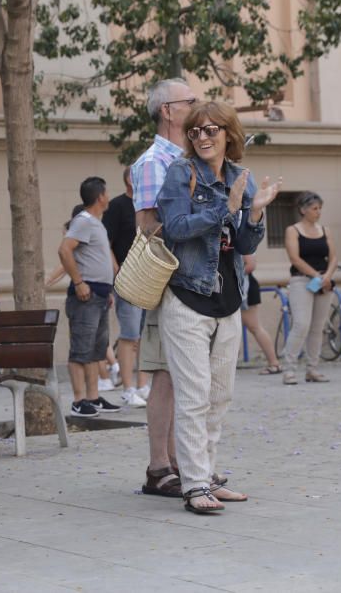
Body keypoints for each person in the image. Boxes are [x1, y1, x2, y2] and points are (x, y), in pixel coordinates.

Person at [156, 100, 280, 513]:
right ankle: (194, 486)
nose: (203, 137)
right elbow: (174, 227)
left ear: (229, 133)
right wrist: (221, 209)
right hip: (188, 296)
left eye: (212, 130)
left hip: (228, 300)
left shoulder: (237, 176)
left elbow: (244, 245)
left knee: (220, 395)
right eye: (195, 131)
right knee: (193, 396)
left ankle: (207, 474)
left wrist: (256, 211)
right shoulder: (181, 172)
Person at [130, 78, 196, 498]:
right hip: (170, 282)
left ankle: (180, 464)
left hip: (190, 283)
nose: (198, 108)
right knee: (165, 377)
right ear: (168, 111)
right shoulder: (155, 161)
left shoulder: (188, 158)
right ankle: (159, 467)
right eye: (191, 101)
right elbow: (148, 227)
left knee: (181, 376)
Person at [58, 177, 122, 418]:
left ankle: (93, 397)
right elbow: (65, 249)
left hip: (101, 295)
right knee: (81, 350)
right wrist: (78, 282)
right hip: (86, 295)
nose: (108, 196)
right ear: (100, 197)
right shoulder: (83, 222)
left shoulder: (96, 223)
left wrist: (109, 291)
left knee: (96, 349)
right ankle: (78, 400)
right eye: (106, 193)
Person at [102, 166, 149, 406]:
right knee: (130, 335)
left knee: (145, 335)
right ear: (129, 180)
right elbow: (106, 242)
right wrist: (116, 269)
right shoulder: (118, 206)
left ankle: (143, 385)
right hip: (127, 279)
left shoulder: (148, 204)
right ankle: (128, 388)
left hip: (148, 278)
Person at [281, 191, 336, 384]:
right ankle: (289, 369)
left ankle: (312, 368)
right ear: (303, 210)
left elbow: (333, 257)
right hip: (302, 281)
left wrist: (327, 276)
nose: (318, 212)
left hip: (324, 283)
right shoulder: (293, 230)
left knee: (318, 327)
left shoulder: (325, 230)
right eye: (314, 208)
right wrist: (317, 276)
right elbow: (294, 258)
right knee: (301, 324)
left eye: (320, 208)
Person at [240, 254, 281, 375]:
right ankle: (274, 363)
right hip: (241, 288)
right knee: (253, 327)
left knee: (254, 327)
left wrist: (230, 277)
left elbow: (251, 265)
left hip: (244, 289)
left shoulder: (241, 236)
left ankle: (274, 363)